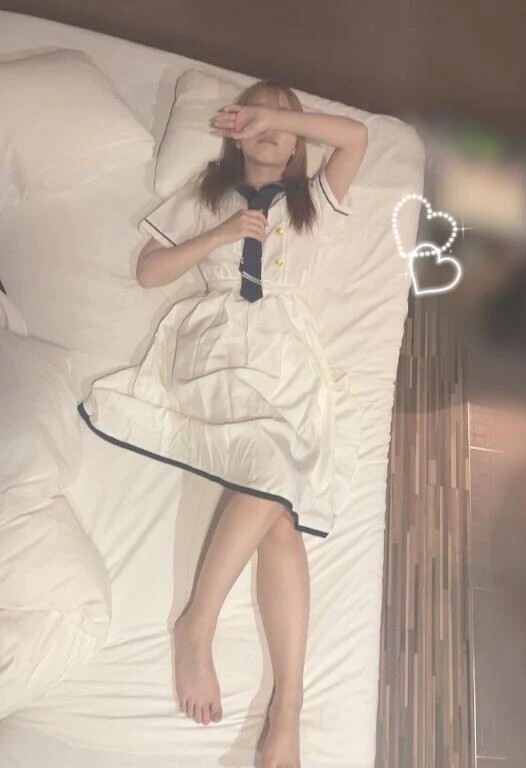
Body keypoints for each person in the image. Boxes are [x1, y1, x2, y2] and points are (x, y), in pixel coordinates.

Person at [78, 79, 368, 766]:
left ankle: (276, 699)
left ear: (298, 142)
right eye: (255, 114)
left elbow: (357, 138)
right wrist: (222, 232)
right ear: (234, 133)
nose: (269, 125)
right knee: (277, 473)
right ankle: (215, 641)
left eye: (283, 120)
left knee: (281, 513)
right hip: (216, 347)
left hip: (287, 360)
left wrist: (274, 115)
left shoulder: (314, 200)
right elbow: (151, 272)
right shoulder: (207, 194)